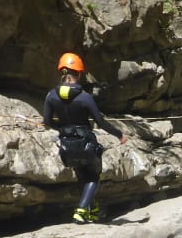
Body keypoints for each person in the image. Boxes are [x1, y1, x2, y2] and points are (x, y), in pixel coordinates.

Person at [43, 52, 128, 224]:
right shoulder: (85, 97)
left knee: (82, 176)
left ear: (62, 73)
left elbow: (46, 121)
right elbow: (101, 122)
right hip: (86, 144)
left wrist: (63, 128)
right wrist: (120, 135)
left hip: (66, 145)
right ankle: (81, 211)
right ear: (79, 74)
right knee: (93, 177)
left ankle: (91, 209)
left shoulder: (51, 96)